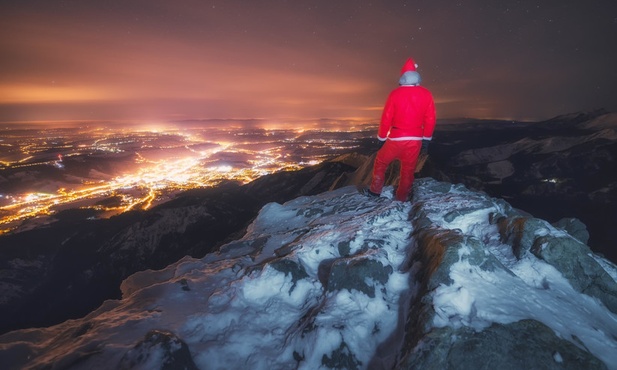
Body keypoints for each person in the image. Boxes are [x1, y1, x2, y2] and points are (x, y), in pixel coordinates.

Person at [365, 57, 436, 202]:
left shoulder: (395, 94)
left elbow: (386, 119)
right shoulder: (426, 94)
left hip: (396, 137)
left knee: (381, 162)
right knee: (408, 169)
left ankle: (375, 191)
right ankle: (402, 197)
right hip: (415, 139)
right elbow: (430, 119)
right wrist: (426, 139)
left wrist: (382, 138)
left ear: (403, 77)